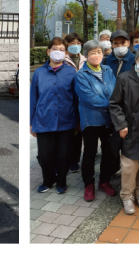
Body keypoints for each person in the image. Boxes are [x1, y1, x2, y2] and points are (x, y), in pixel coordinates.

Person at [109, 46, 139, 215]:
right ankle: (127, 195)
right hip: (129, 128)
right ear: (136, 60)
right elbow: (114, 104)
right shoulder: (124, 78)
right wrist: (121, 124)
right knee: (129, 164)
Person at [29, 38, 79, 196]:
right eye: (55, 48)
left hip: (66, 120)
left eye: (62, 49)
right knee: (44, 154)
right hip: (44, 120)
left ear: (65, 53)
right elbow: (32, 98)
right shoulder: (39, 72)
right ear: (48, 51)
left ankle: (62, 182)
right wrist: (30, 122)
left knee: (63, 154)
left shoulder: (71, 72)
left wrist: (78, 120)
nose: (58, 51)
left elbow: (76, 97)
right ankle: (48, 180)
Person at [75, 40, 119, 202]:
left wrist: (114, 104)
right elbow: (89, 99)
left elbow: (115, 91)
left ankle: (104, 181)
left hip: (109, 120)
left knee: (109, 152)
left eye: (99, 52)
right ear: (86, 55)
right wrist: (112, 105)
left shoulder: (108, 70)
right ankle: (89, 184)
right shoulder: (81, 75)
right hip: (91, 120)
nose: (97, 55)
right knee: (90, 152)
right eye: (93, 53)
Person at [63, 32, 86, 174]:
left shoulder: (85, 60)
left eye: (78, 43)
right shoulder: (63, 60)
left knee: (79, 133)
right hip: (67, 100)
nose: (75, 46)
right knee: (68, 133)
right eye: (72, 43)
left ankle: (74, 161)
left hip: (83, 101)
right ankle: (66, 159)